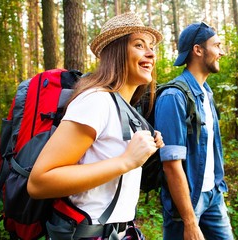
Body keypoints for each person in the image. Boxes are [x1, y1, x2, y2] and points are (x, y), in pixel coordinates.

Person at [27, 12, 164, 239]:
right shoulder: (95, 100)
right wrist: (125, 161)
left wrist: (147, 142)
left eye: (151, 47)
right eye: (139, 45)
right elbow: (40, 182)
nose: (151, 53)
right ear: (116, 52)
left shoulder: (124, 107)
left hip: (120, 231)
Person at [154, 22, 234, 239]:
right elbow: (171, 164)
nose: (222, 52)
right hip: (187, 204)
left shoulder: (206, 93)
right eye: (217, 45)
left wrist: (217, 189)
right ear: (198, 50)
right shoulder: (174, 97)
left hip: (213, 196)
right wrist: (189, 221)